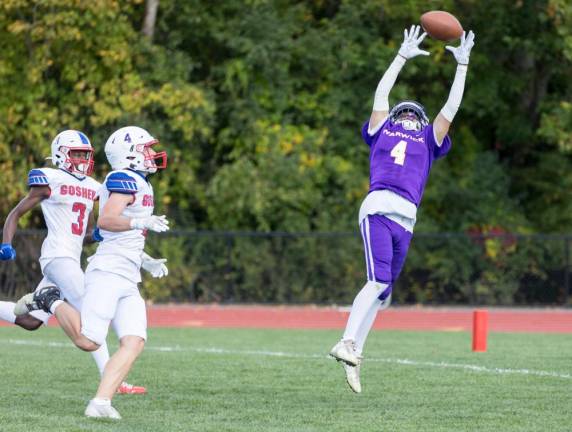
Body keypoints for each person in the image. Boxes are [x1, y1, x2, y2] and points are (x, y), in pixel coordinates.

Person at [329, 26, 475, 393]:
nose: (409, 116)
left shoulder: (429, 137)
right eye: (404, 112)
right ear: (394, 116)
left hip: (407, 217)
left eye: (414, 114)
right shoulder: (382, 129)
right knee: (377, 281)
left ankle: (355, 352)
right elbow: (381, 94)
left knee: (384, 291)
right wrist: (400, 57)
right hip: (379, 205)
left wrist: (462, 66)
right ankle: (346, 342)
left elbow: (451, 108)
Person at [16, 126, 170, 419]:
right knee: (89, 340)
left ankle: (100, 403)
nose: (152, 154)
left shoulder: (142, 183)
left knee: (134, 340)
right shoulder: (121, 178)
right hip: (108, 272)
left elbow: (126, 238)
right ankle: (51, 299)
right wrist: (141, 223)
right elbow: (108, 221)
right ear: (130, 154)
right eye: (146, 148)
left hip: (127, 273)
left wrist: (145, 260)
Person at [0, 129, 145, 394]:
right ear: (60, 155)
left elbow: (85, 234)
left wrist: (99, 235)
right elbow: (16, 213)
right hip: (56, 256)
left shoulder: (92, 187)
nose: (82, 159)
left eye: (85, 154)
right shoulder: (50, 179)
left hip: (69, 260)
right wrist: (6, 243)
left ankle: (43, 298)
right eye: (76, 154)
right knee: (91, 318)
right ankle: (114, 382)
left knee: (31, 322)